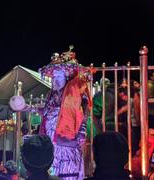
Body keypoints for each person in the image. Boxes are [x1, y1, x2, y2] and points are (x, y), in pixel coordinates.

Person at [10, 47, 92, 179]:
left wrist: (81, 132)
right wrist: (27, 107)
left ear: (66, 77)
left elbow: (84, 113)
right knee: (52, 171)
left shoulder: (74, 94)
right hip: (51, 140)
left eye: (59, 76)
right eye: (54, 77)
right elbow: (46, 111)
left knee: (68, 172)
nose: (56, 80)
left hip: (67, 142)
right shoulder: (51, 95)